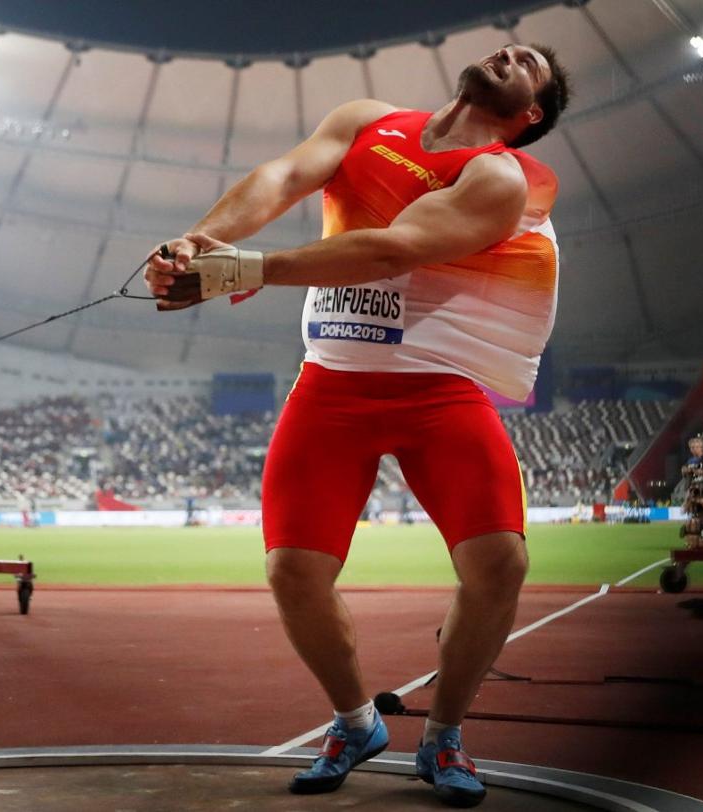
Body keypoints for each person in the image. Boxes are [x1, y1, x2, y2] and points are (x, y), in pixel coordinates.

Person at [146, 43, 569, 807]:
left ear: (530, 113)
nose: (510, 50)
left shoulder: (497, 177)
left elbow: (389, 251)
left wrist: (240, 271)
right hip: (333, 385)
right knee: (292, 573)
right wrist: (198, 243)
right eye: (509, 44)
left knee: (499, 563)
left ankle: (444, 738)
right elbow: (281, 177)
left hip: (437, 391)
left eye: (530, 62)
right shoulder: (368, 122)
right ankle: (354, 721)